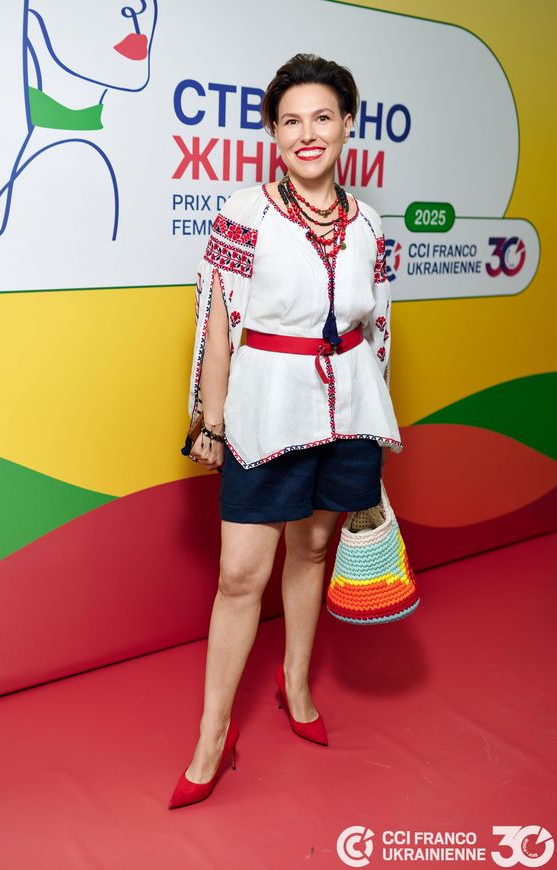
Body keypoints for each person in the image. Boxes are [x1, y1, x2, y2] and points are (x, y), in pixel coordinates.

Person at [168, 53, 403, 810]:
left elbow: (380, 328)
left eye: (322, 117)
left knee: (312, 550)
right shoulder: (246, 213)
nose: (308, 133)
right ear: (273, 132)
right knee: (241, 576)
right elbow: (216, 324)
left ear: (347, 126)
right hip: (264, 411)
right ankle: (213, 736)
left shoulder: (371, 224)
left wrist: (376, 419)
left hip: (348, 412)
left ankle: (296, 681)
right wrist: (209, 421)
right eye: (291, 120)